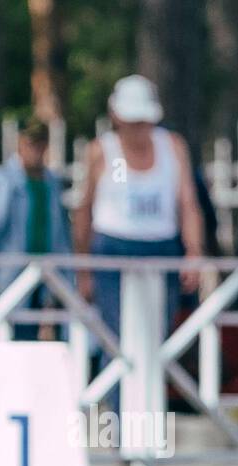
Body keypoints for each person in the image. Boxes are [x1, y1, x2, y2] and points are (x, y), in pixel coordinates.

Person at [74, 75, 204, 342]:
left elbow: (188, 204)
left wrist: (193, 252)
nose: (138, 128)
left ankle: (150, 384)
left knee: (157, 338)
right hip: (112, 251)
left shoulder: (173, 147)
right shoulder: (101, 151)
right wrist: (83, 269)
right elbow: (84, 209)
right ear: (116, 117)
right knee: (116, 339)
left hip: (162, 249)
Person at [0, 118, 72, 340]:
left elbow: (61, 237)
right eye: (31, 143)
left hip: (46, 283)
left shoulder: (52, 182)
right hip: (3, 281)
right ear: (20, 143)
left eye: (40, 144)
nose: (36, 150)